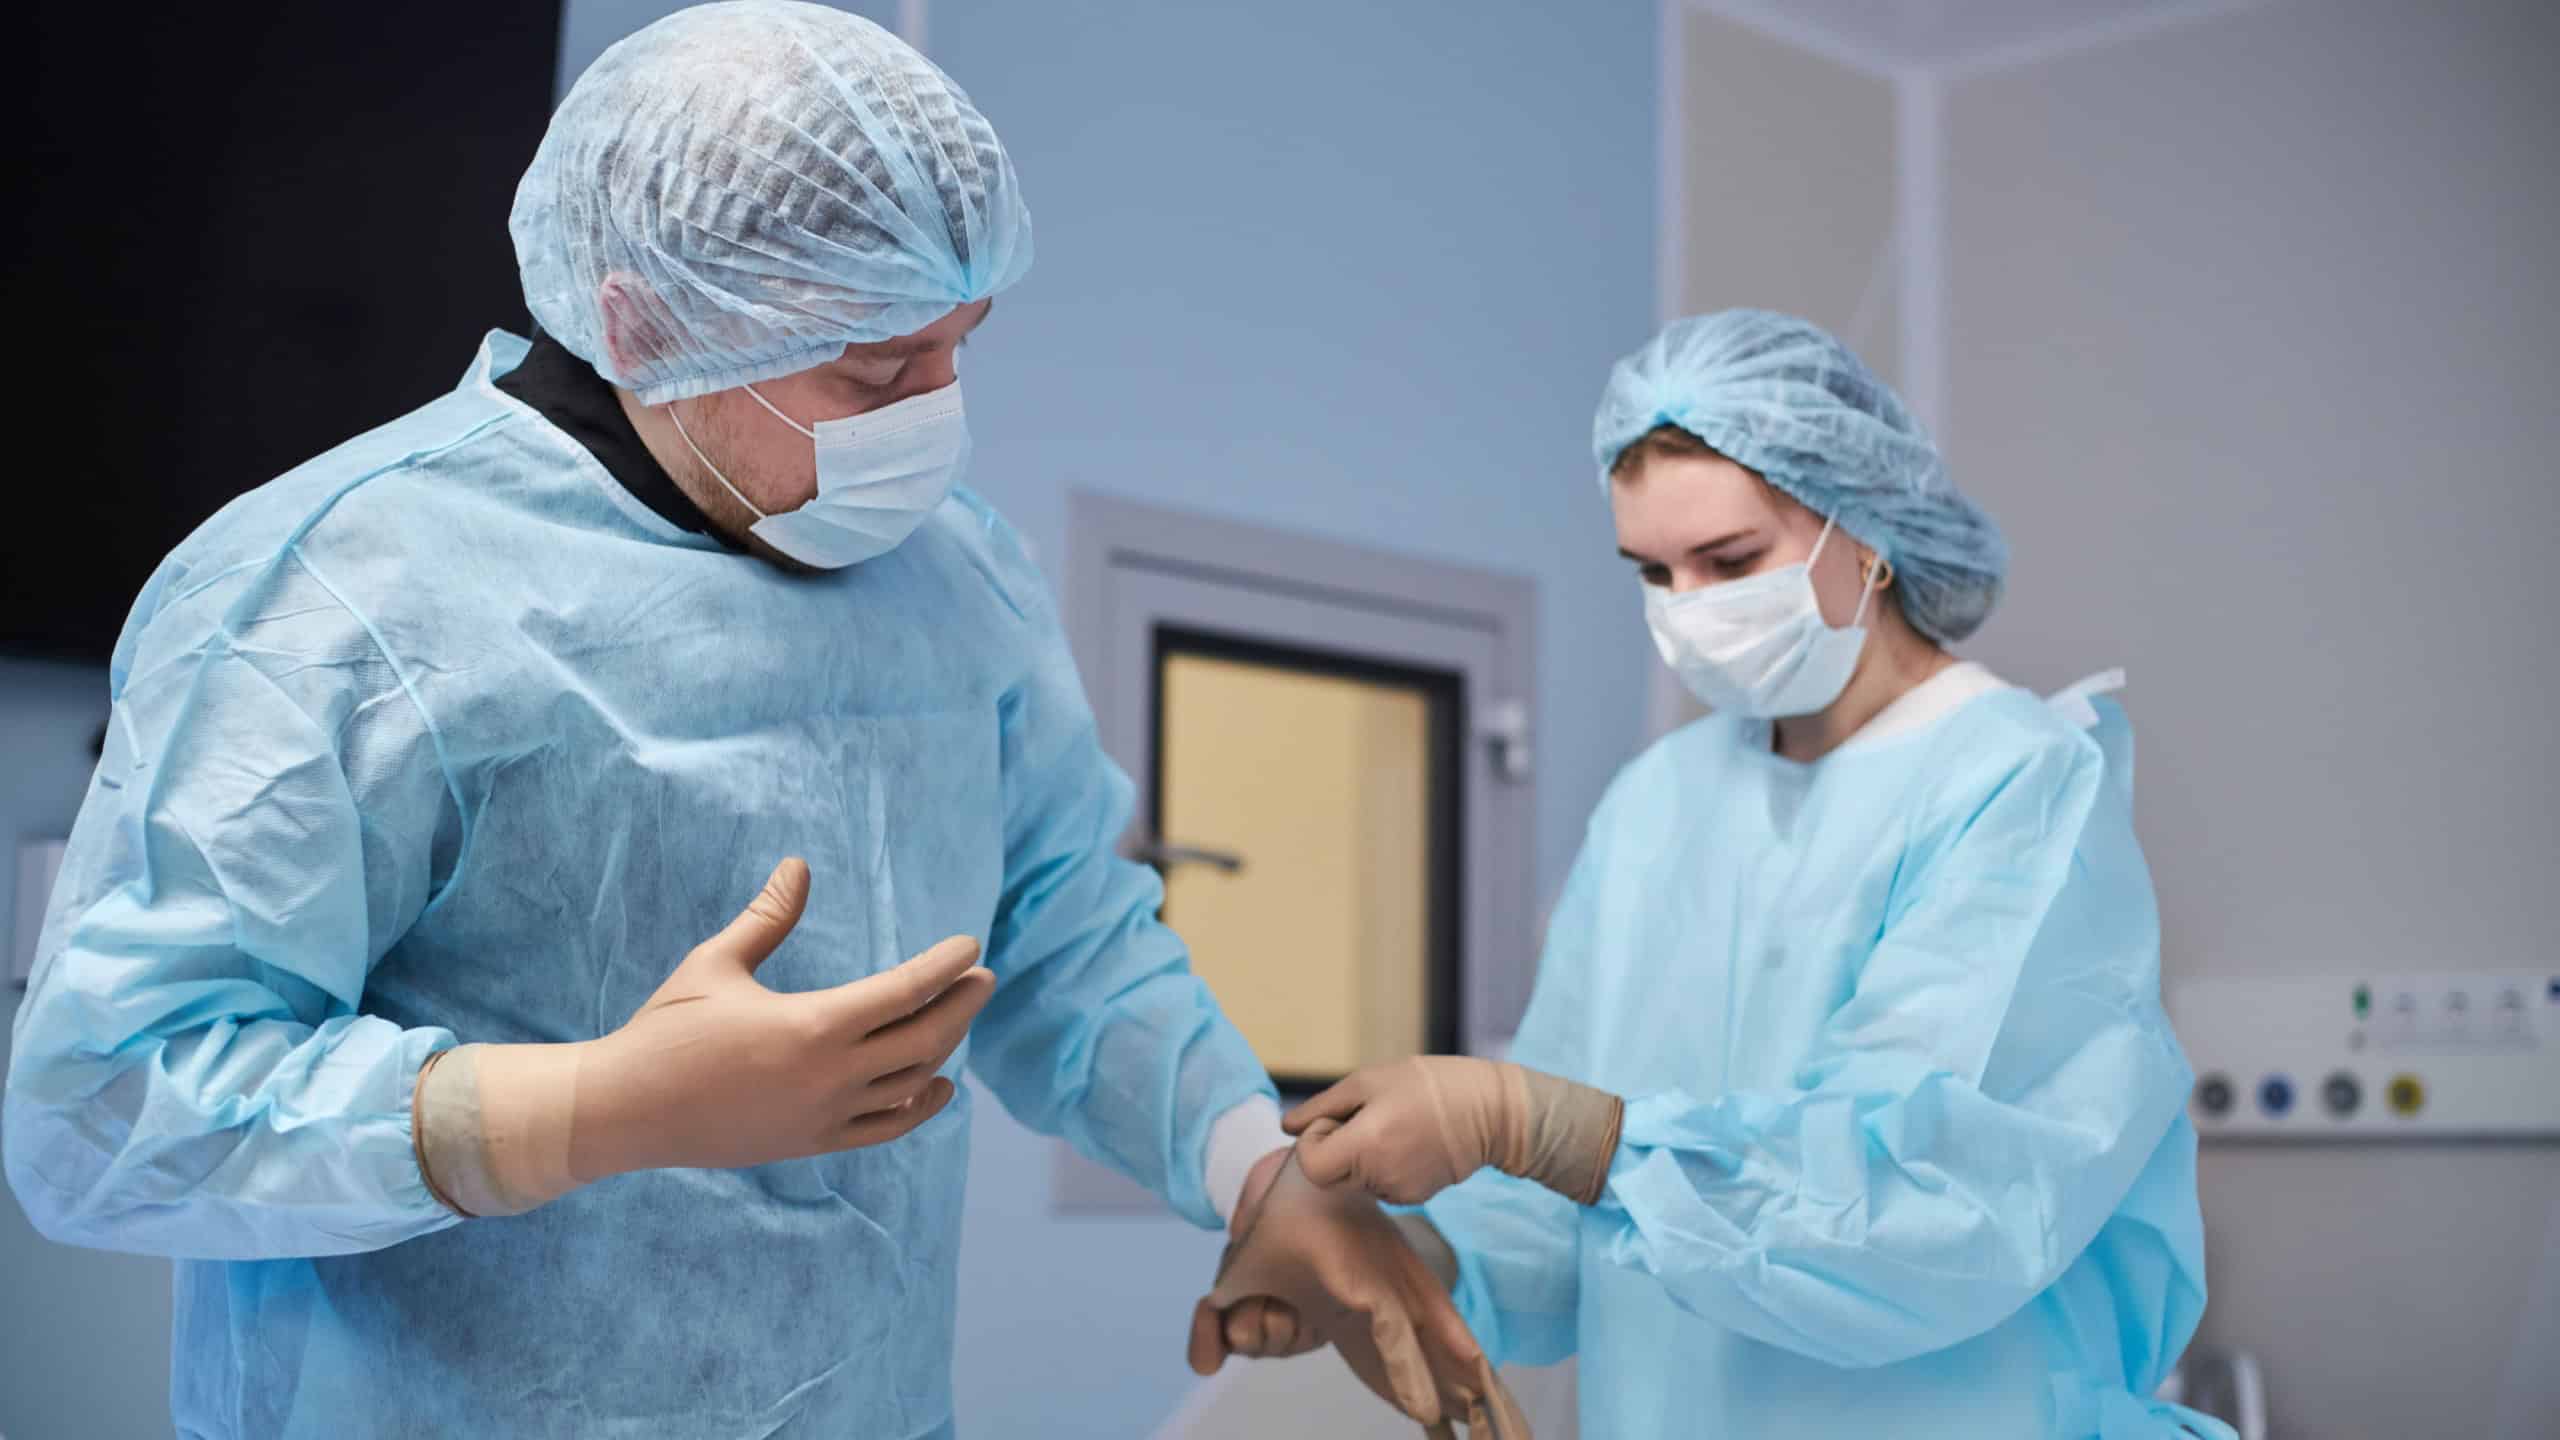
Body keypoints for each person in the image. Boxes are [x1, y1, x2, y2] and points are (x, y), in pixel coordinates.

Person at [1, 5, 1491, 1434]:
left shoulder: (956, 577)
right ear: (644, 325)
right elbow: (107, 1103)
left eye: (960, 342)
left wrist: (1254, 1167)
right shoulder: (339, 595)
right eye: (877, 367)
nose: (939, 408)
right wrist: (583, 1112)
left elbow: (1064, 928)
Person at [1192, 310, 2234, 1439]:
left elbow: (1937, 1206)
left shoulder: (2016, 781)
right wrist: (1392, 1253)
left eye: (1730, 562)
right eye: (1653, 571)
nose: (1690, 608)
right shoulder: (1657, 802)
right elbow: (1559, 1232)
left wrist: (1566, 1131)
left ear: (1867, 530)